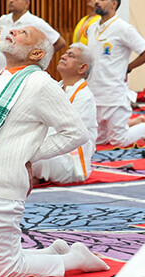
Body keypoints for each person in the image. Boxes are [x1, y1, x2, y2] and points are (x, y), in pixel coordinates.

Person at [0, 27, 108, 277]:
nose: (13, 30)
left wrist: (28, 154)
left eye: (23, 33)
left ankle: (74, 259)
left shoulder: (40, 82)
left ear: (36, 53)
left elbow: (76, 132)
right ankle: (51, 252)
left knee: (7, 272)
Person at [86, 0, 145, 147]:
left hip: (114, 93)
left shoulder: (123, 28)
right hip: (95, 93)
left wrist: (128, 68)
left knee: (120, 140)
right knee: (98, 141)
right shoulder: (92, 28)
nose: (97, 2)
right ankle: (135, 123)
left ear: (113, 4)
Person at [32, 43, 98, 184]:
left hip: (70, 164)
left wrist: (35, 145)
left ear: (82, 68)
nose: (63, 56)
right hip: (50, 153)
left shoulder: (84, 97)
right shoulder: (55, 88)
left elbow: (72, 136)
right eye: (65, 53)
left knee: (25, 153)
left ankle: (31, 176)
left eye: (71, 55)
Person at [0, 0, 65, 70]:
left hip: (23, 71)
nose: (11, 1)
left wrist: (40, 57)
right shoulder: (2, 20)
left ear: (27, 3)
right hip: (3, 71)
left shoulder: (36, 22)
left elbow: (60, 42)